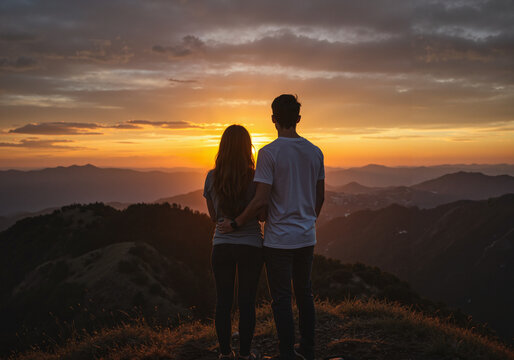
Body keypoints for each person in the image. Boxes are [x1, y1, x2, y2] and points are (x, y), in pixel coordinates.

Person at [219, 94, 325, 360]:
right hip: (306, 236)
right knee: (305, 294)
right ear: (298, 119)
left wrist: (236, 223)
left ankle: (287, 354)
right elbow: (319, 196)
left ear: (273, 119)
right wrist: (309, 221)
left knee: (281, 299)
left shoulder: (268, 153)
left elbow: (261, 199)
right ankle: (308, 350)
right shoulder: (316, 152)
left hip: (278, 239)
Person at [204, 124, 265, 360]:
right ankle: (245, 355)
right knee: (247, 303)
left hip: (221, 246)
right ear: (246, 147)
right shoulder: (256, 178)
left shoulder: (211, 177)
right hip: (251, 246)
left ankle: (224, 354)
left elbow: (213, 217)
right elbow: (262, 216)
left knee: (223, 302)